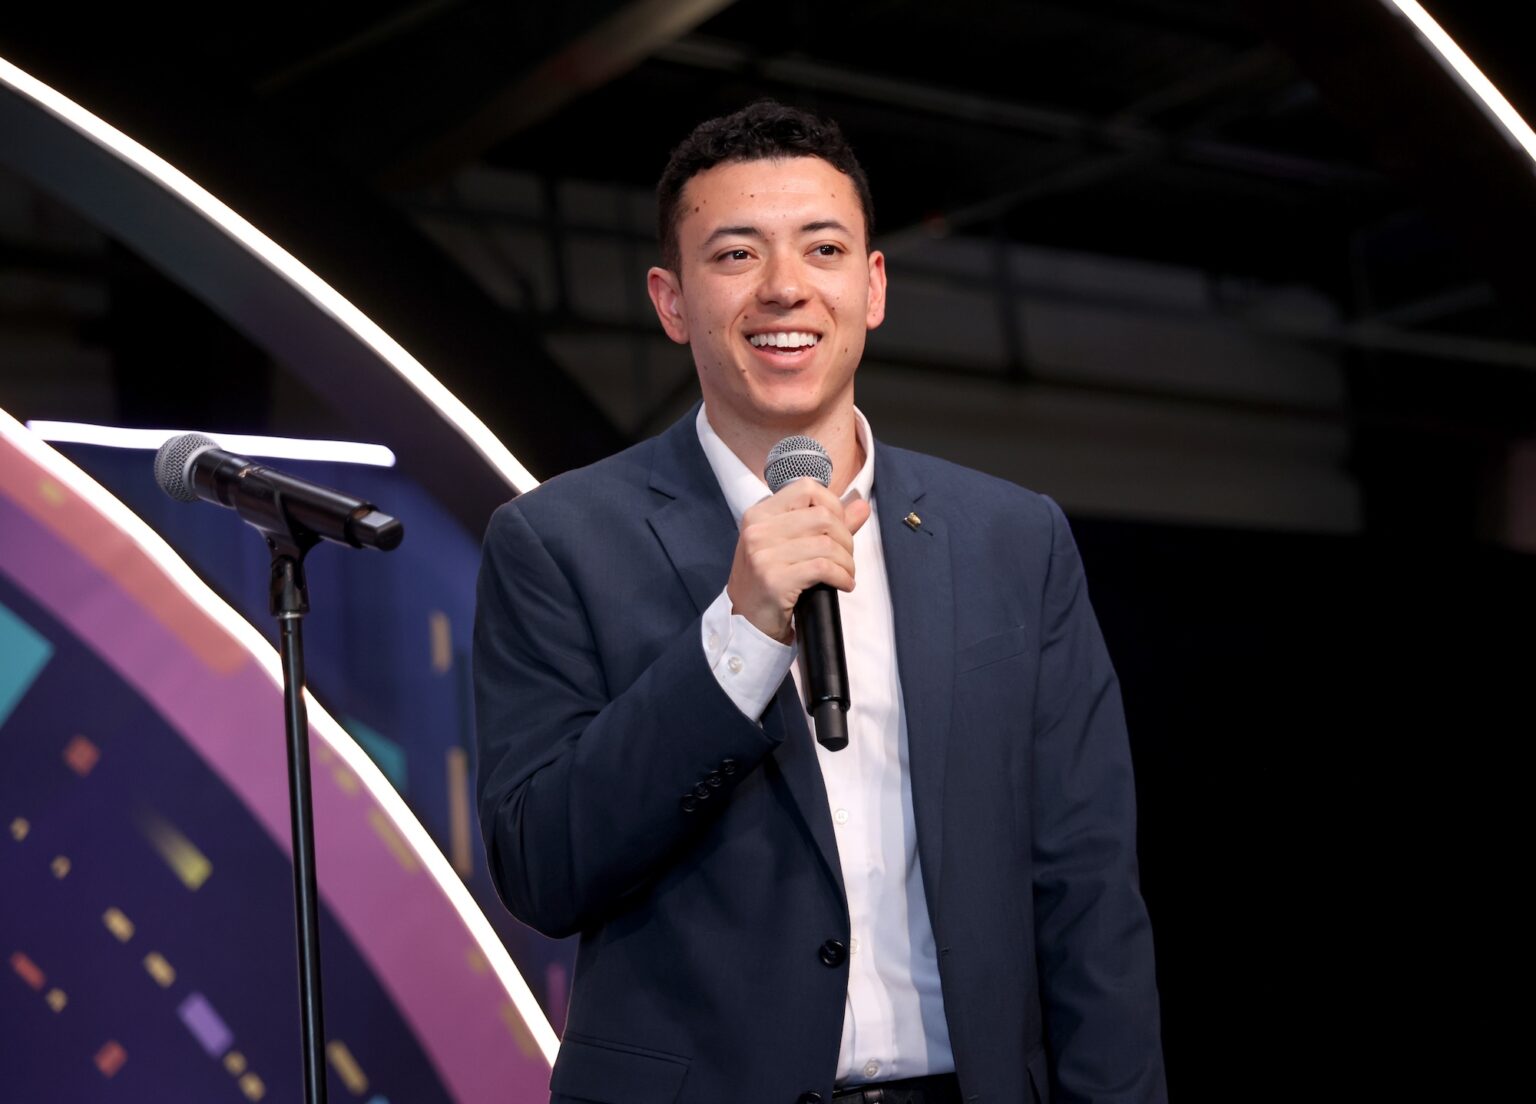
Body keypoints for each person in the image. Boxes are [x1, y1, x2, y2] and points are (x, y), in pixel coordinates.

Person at [474, 100, 1166, 1104]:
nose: (784, 287)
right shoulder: (556, 540)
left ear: (873, 286)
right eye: (735, 255)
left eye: (824, 248)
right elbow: (543, 865)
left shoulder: (1013, 539)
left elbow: (1088, 884)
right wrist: (738, 636)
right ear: (671, 301)